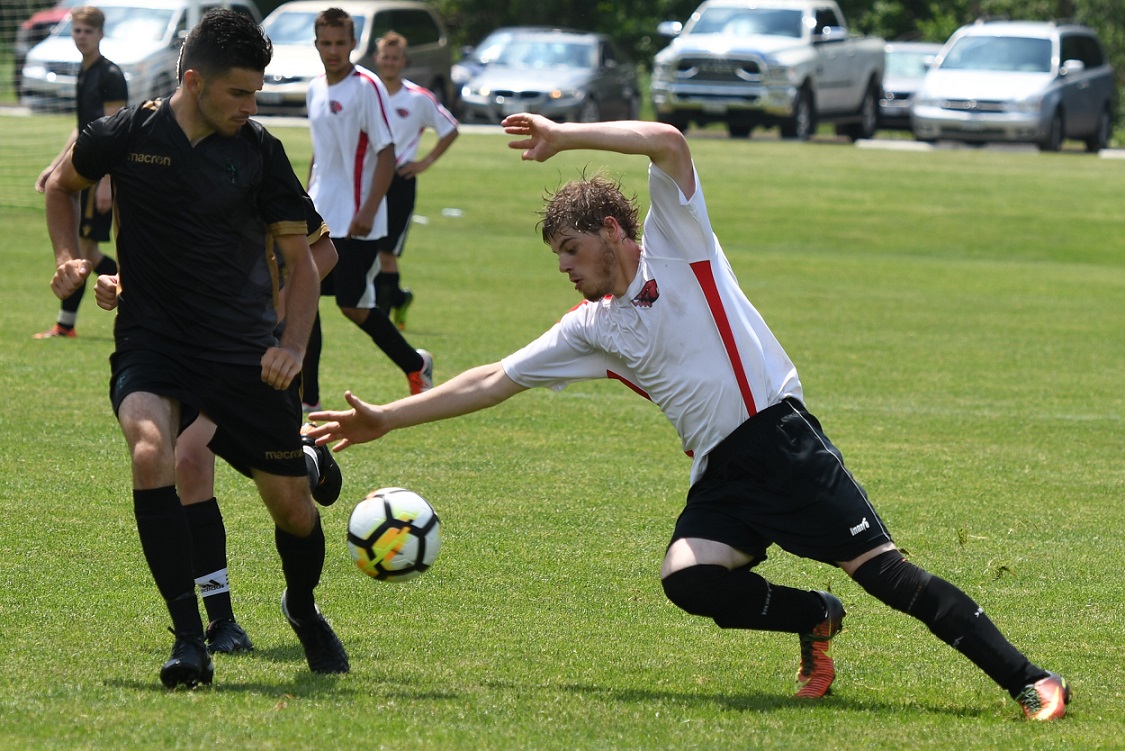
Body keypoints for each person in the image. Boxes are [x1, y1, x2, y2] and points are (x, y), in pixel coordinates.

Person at [308, 114, 1071, 721]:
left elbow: (668, 143)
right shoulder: (591, 326)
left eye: (571, 251)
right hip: (721, 469)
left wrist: (565, 136)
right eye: (558, 260)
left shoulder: (680, 245)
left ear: (612, 230)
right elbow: (490, 379)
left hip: (780, 437)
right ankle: (814, 616)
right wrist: (387, 419)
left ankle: (1030, 677)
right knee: (689, 578)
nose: (567, 269)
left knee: (887, 573)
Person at [44, 9, 348, 687]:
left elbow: (304, 262)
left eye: (256, 93)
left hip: (242, 351)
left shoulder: (260, 152)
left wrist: (291, 345)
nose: (251, 105)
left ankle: (301, 606)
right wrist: (69, 258)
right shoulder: (126, 135)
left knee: (294, 511)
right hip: (152, 342)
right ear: (193, 81)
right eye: (238, 92)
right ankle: (190, 638)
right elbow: (61, 187)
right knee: (155, 451)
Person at [92, 198, 344, 655]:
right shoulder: (145, 159)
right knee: (188, 460)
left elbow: (323, 252)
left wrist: (275, 312)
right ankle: (221, 621)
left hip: (250, 347)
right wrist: (118, 284)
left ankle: (305, 456)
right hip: (180, 350)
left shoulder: (253, 158)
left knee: (282, 493)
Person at [302, 7, 433, 411]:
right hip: (320, 215)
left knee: (354, 306)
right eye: (326, 43)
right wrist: (305, 200)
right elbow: (320, 154)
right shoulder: (314, 88)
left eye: (341, 43)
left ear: (355, 43)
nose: (334, 50)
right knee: (301, 298)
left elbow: (387, 152)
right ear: (316, 44)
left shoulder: (367, 87)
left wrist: (369, 208)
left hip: (357, 219)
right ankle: (307, 400)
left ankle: (416, 364)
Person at [33, 5, 126, 339]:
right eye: (77, 31)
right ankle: (130, 293)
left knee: (82, 253)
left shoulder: (111, 75)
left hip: (97, 177)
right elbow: (81, 132)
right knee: (88, 252)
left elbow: (114, 136)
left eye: (88, 31)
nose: (81, 37)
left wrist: (106, 183)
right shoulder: (84, 72)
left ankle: (66, 324)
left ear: (100, 34)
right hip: (81, 172)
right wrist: (55, 167)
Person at [371, 30, 460, 331]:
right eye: (386, 57)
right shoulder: (367, 92)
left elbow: (450, 129)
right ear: (377, 59)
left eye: (396, 58)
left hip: (399, 179)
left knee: (387, 251)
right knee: (363, 246)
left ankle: (381, 316)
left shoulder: (418, 98)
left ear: (404, 62)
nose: (390, 63)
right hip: (368, 179)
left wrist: (425, 162)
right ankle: (397, 298)